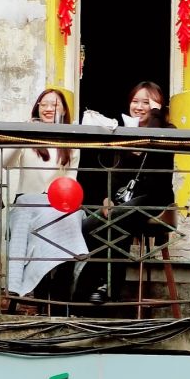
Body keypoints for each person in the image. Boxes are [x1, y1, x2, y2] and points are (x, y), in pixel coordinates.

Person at [76, 81, 176, 307]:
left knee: (118, 219)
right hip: (125, 202)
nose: (139, 107)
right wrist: (107, 196)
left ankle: (98, 286)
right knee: (90, 225)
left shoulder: (168, 131)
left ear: (158, 105)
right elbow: (114, 173)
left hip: (155, 199)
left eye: (147, 102)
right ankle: (103, 286)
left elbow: (160, 177)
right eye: (135, 101)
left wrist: (156, 117)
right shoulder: (122, 132)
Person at [3, 88, 87, 306]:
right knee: (41, 229)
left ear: (64, 111)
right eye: (44, 104)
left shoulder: (71, 143)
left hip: (57, 204)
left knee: (73, 218)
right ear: (37, 108)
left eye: (55, 104)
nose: (49, 109)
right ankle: (38, 297)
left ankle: (60, 301)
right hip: (27, 202)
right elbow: (6, 163)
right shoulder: (27, 136)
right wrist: (22, 135)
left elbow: (71, 181)